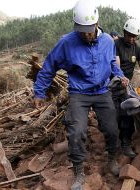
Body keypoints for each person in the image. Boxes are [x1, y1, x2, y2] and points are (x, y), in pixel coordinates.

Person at [33, 0, 129, 189]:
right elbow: (49, 66)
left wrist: (120, 75)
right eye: (81, 30)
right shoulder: (66, 43)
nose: (85, 34)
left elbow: (112, 64)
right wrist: (39, 92)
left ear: (97, 22)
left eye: (89, 29)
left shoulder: (108, 41)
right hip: (79, 93)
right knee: (76, 132)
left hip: (102, 91)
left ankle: (111, 160)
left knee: (111, 129)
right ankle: (78, 171)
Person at [112, 18, 140, 158]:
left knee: (128, 114)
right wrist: (121, 78)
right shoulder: (116, 44)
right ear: (124, 32)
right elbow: (116, 65)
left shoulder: (138, 48)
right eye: (129, 35)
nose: (131, 38)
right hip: (114, 83)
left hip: (128, 86)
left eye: (134, 36)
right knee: (113, 115)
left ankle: (126, 143)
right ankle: (113, 145)